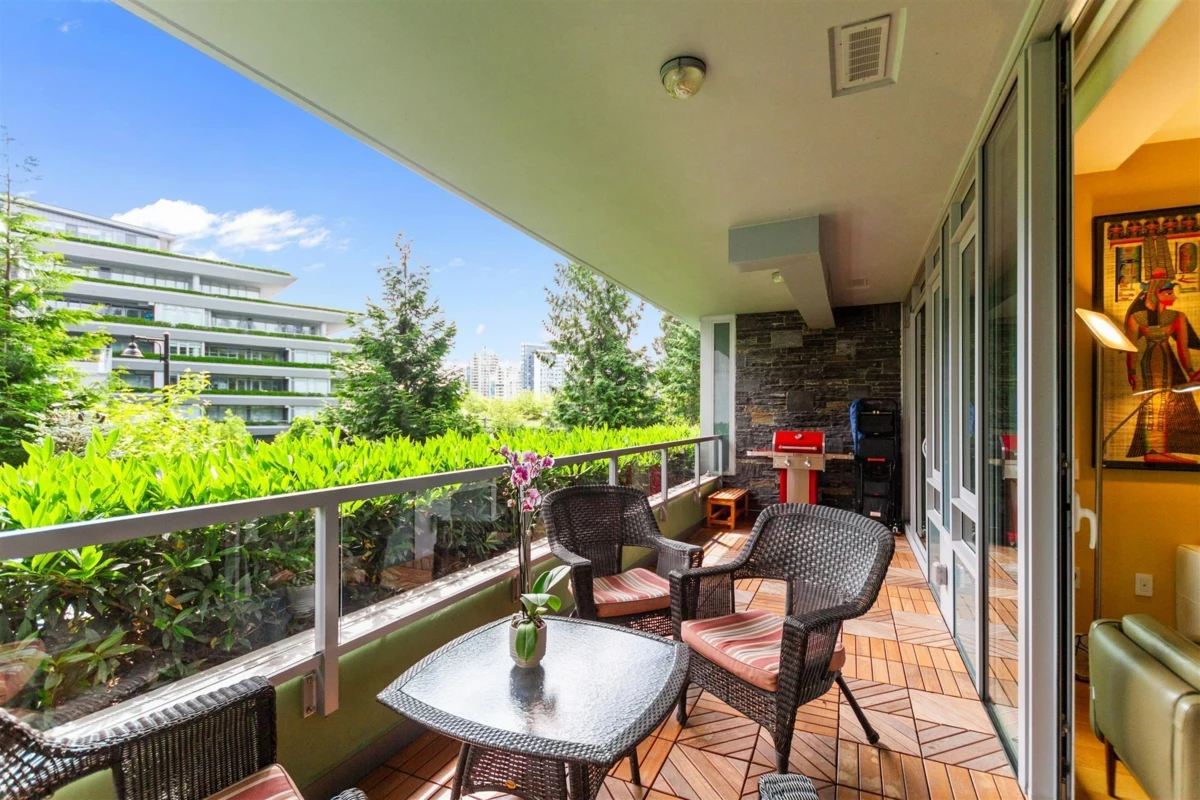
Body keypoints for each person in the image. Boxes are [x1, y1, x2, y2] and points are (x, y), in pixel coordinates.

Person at [1124, 279, 1200, 463]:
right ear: (1154, 294)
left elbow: (1183, 349)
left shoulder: (1177, 316)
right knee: (1153, 402)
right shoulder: (1137, 317)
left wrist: (1191, 373)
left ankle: (1160, 449)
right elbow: (1131, 348)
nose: (1173, 297)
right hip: (1150, 362)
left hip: (1168, 362)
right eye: (1168, 293)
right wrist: (1131, 372)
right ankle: (1153, 450)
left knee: (1168, 403)